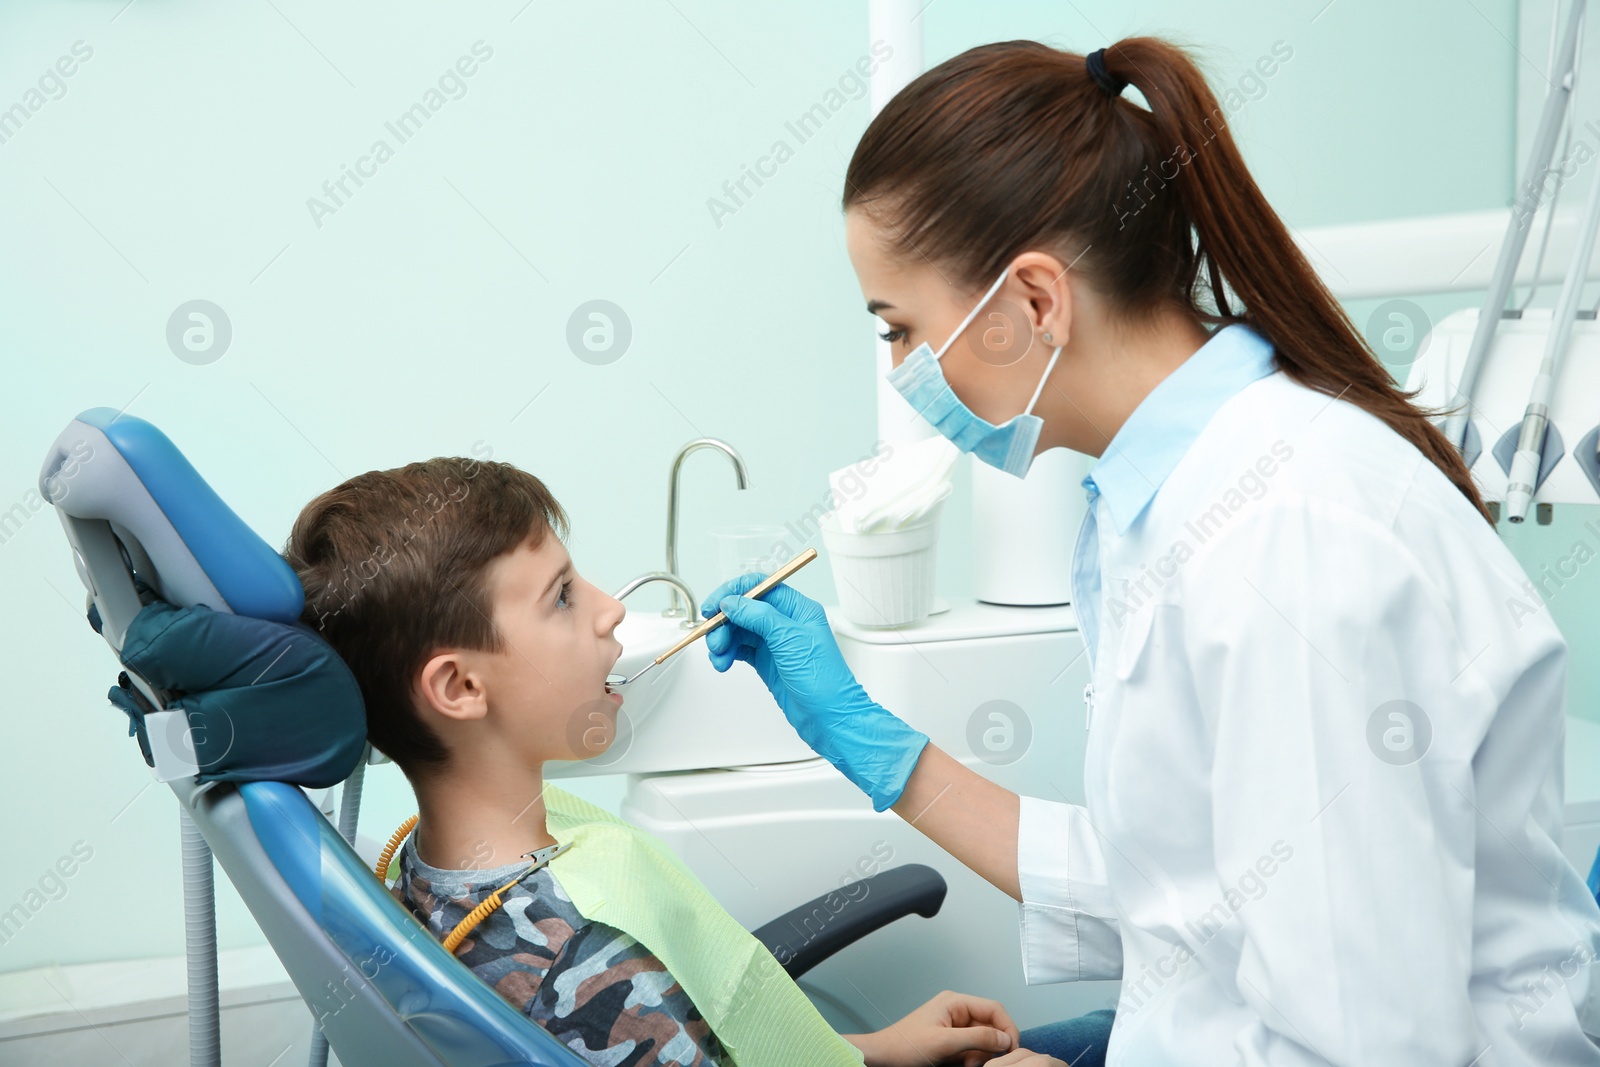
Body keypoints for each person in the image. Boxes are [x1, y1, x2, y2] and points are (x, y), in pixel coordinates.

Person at [699, 37, 1600, 1065]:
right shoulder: (1182, 498)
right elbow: (1191, 884)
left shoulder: (1282, 538)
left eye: (899, 329)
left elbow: (1366, 1038)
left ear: (1030, 305)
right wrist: (880, 751)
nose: (903, 366)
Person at [282, 455, 1067, 1067]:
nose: (610, 607)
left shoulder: (422, 869)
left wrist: (868, 1046)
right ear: (459, 685)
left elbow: (688, 1039)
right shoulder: (582, 953)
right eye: (561, 596)